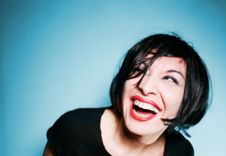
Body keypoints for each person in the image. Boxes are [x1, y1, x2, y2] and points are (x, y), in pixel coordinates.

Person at [43, 33, 211, 156]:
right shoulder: (74, 129)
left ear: (188, 100)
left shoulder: (180, 152)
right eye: (139, 70)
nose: (145, 87)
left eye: (169, 78)